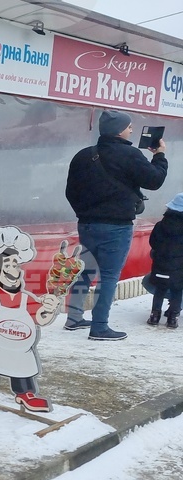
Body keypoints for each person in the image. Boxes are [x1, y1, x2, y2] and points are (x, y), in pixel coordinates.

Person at [64, 109, 168, 340]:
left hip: (87, 224)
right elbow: (154, 180)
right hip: (116, 227)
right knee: (109, 276)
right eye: (129, 126)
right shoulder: (130, 154)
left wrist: (85, 213)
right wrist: (159, 156)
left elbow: (70, 191)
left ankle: (74, 318)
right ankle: (100, 327)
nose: (131, 129)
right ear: (120, 130)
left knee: (85, 271)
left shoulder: (83, 155)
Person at [0, 226, 62, 412]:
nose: (11, 270)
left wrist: (50, 309)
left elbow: (40, 319)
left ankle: (25, 394)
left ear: (21, 271)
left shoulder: (26, 299)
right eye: (7, 265)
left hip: (20, 352)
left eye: (15, 265)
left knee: (23, 369)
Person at [146, 193, 183, 329]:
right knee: (177, 291)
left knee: (160, 290)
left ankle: (154, 316)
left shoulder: (159, 225)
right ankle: (172, 319)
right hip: (179, 269)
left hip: (160, 266)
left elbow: (152, 242)